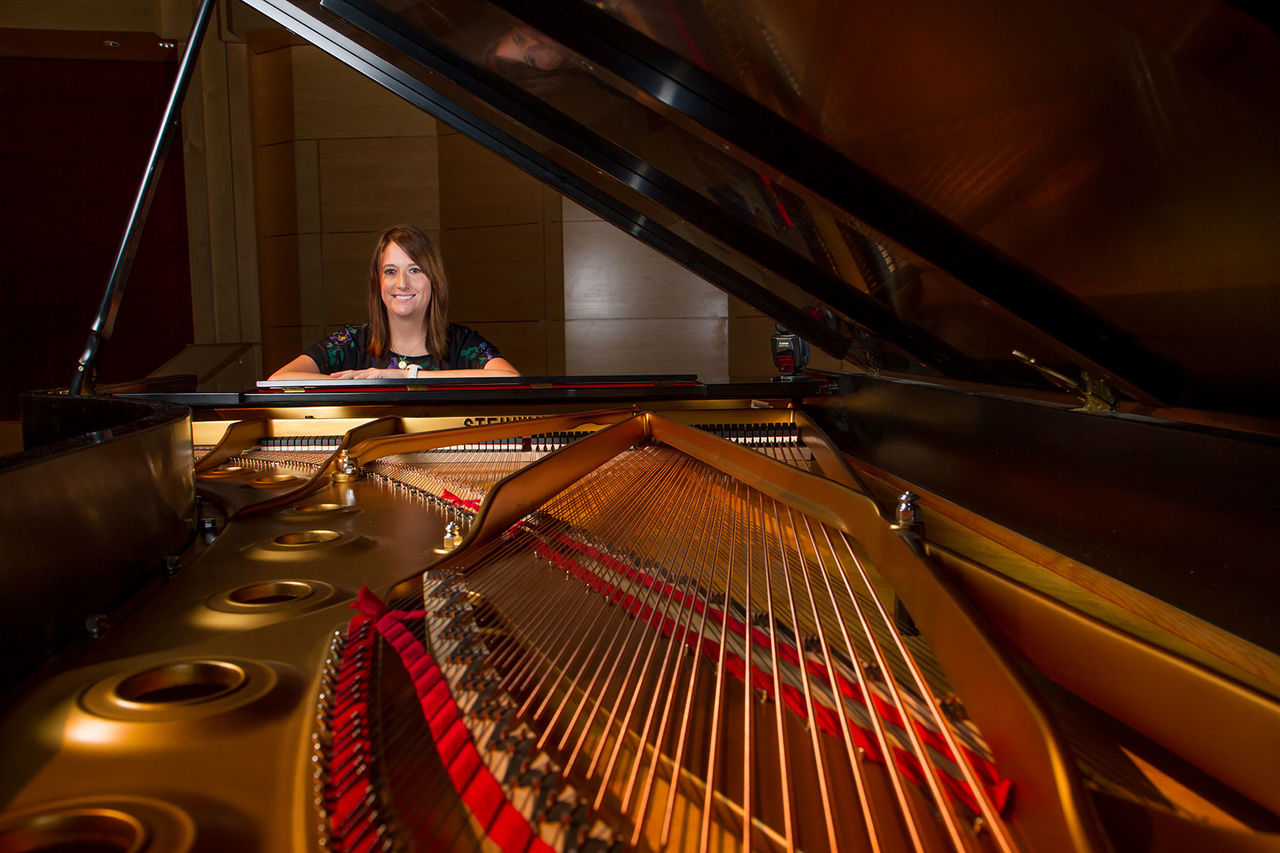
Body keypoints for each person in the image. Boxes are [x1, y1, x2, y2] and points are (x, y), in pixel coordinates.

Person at [268, 225, 519, 380]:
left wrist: (405, 375)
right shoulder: (351, 343)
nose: (401, 284)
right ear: (377, 282)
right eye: (390, 271)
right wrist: (359, 384)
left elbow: (510, 378)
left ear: (433, 280)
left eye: (415, 270)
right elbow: (279, 380)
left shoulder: (461, 343)